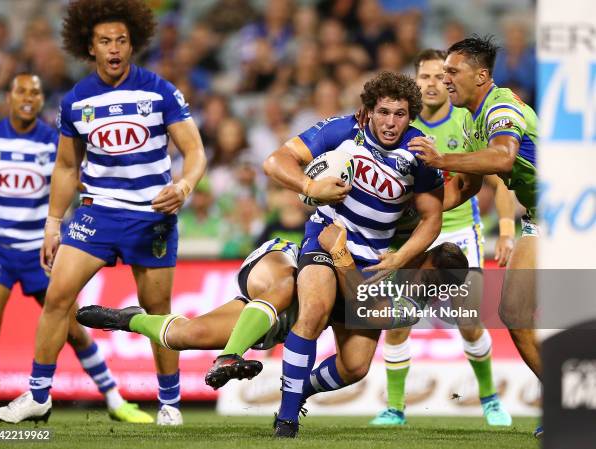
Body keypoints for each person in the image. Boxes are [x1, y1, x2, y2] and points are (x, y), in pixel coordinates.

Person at [0, 0, 206, 426]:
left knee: (156, 310)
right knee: (56, 297)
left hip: (152, 216)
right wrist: (53, 224)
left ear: (133, 46)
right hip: (98, 215)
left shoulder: (159, 91)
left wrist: (183, 186)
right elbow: (67, 167)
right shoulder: (75, 101)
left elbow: (195, 151)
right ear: (89, 47)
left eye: (121, 41)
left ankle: (169, 403)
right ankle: (37, 395)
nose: (114, 48)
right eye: (105, 41)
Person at [262, 71, 445, 437]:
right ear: (369, 111)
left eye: (400, 114)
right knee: (313, 313)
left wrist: (399, 257)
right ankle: (285, 420)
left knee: (354, 367)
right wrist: (310, 185)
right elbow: (275, 161)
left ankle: (300, 392)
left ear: (411, 116)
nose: (391, 122)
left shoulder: (420, 153)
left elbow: (432, 217)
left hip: (372, 260)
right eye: (383, 112)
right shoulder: (342, 130)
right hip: (327, 240)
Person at [75, 227, 469, 393]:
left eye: (435, 289)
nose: (427, 289)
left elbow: (358, 299)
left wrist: (343, 253)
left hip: (296, 311)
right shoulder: (399, 239)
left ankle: (126, 319)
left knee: (184, 336)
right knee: (286, 283)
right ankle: (229, 356)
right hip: (285, 262)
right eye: (428, 278)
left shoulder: (405, 308)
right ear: (426, 259)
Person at [0, 73, 150, 424]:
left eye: (36, 91)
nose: (29, 97)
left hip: (39, 251)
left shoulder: (53, 140)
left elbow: (74, 178)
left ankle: (114, 399)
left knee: (73, 327)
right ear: (9, 96)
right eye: (22, 91)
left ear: (42, 99)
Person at [370, 49, 515, 427]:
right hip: (413, 236)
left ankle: (490, 399)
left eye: (440, 75)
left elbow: (499, 174)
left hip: (458, 233)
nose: (433, 83)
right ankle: (395, 408)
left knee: (468, 320)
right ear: (415, 82)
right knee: (399, 320)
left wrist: (506, 229)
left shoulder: (467, 120)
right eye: (425, 76)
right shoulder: (398, 124)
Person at [408, 36, 540, 436]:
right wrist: (410, 212)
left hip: (579, 213)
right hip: (541, 217)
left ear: (481, 75)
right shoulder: (468, 118)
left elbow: (502, 157)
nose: (445, 78)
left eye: (452, 71)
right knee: (514, 315)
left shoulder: (502, 107)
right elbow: (465, 186)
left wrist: (440, 158)